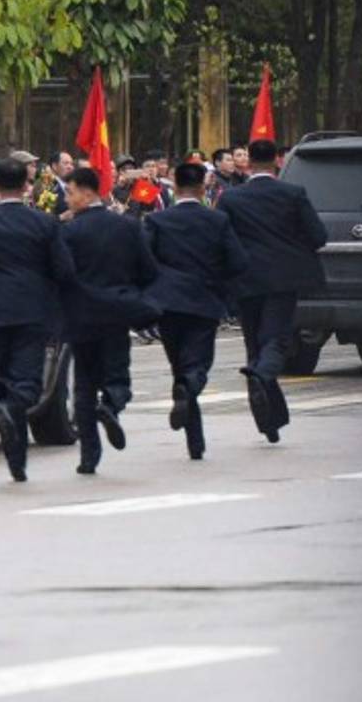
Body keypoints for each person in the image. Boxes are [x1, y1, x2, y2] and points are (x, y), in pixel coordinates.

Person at [0, 159, 75, 482]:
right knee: (28, 384)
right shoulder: (44, 223)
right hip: (33, 311)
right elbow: (64, 269)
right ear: (27, 185)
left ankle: (17, 461)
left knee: (4, 378)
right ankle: (11, 417)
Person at [217, 139, 327, 442]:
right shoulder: (293, 194)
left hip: (245, 280)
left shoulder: (231, 198)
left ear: (249, 162)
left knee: (255, 347)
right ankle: (265, 381)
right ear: (278, 161)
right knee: (276, 340)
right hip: (283, 279)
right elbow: (318, 235)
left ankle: (269, 422)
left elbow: (221, 239)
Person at [145, 163, 249, 460]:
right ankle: (188, 392)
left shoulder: (157, 220)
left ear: (175, 188)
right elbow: (238, 261)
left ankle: (196, 442)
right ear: (203, 189)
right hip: (204, 302)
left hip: (167, 304)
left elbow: (144, 260)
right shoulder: (217, 221)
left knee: (180, 366)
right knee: (197, 367)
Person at [61, 167, 159, 475]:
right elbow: (148, 270)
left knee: (84, 386)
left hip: (81, 316)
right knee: (118, 377)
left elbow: (61, 273)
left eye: (71, 192)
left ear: (88, 193)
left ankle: (89, 455)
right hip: (117, 313)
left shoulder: (69, 232)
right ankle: (112, 405)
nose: (67, 198)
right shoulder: (127, 227)